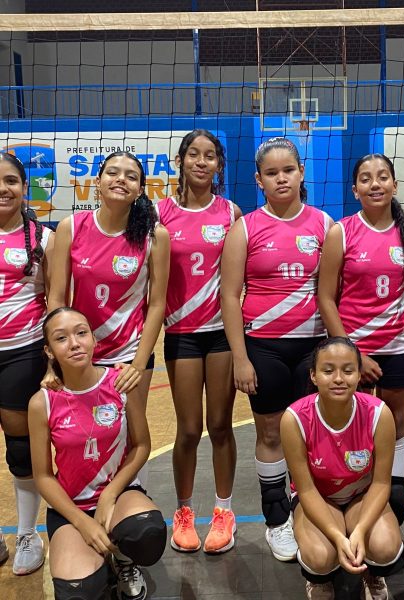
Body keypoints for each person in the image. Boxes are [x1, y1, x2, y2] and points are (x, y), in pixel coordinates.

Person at [221, 137, 332, 562]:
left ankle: (310, 511)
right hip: (264, 348)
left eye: (288, 170)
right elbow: (230, 295)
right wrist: (240, 358)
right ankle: (277, 520)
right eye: (272, 173)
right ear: (259, 180)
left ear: (301, 172)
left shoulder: (324, 224)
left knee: (311, 434)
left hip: (313, 348)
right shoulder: (246, 227)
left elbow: (333, 292)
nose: (281, 178)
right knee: (269, 433)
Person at [318, 152, 404, 523]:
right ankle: (354, 494)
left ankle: (392, 495)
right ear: (355, 190)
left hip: (401, 345)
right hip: (355, 347)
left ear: (395, 185)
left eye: (382, 176)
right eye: (365, 178)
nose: (375, 184)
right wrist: (351, 353)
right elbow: (325, 298)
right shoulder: (341, 232)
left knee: (397, 420)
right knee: (354, 421)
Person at [47, 151, 170, 488]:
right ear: (98, 182)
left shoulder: (154, 235)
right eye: (113, 173)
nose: (121, 180)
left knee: (132, 437)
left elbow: (157, 304)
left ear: (140, 189)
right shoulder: (72, 227)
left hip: (128, 354)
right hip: (80, 352)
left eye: (131, 176)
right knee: (83, 434)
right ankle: (85, 504)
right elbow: (56, 299)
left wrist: (139, 363)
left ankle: (135, 504)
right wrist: (54, 359)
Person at [28, 307, 167, 600]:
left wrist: (109, 495)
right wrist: (83, 523)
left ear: (93, 339)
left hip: (120, 495)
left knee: (147, 535)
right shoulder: (42, 402)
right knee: (78, 593)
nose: (74, 343)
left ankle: (125, 559)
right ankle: (101, 565)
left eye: (81, 333)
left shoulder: (121, 383)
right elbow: (42, 477)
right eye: (61, 338)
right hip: (71, 507)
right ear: (49, 351)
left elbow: (142, 445)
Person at [156, 129, 241, 554]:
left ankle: (224, 512)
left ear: (219, 164)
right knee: (189, 430)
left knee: (220, 426)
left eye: (210, 156)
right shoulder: (160, 213)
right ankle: (184, 512)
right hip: (181, 334)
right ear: (181, 161)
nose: (202, 162)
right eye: (194, 154)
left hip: (222, 334)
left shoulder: (230, 213)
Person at [281, 337, 404, 600]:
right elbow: (306, 489)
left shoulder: (378, 413)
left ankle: (372, 572)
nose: (338, 378)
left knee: (385, 547)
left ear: (359, 375)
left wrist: (360, 530)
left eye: (348, 371)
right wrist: (338, 536)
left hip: (361, 494)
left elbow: (381, 483)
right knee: (320, 556)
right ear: (313, 375)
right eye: (328, 371)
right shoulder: (294, 419)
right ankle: (320, 579)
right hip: (318, 497)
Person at [0, 152, 54, 575]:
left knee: (21, 449)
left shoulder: (43, 238)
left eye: (11, 181)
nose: (3, 189)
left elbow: (57, 300)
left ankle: (27, 534)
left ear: (23, 187)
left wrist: (53, 363)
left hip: (22, 352)